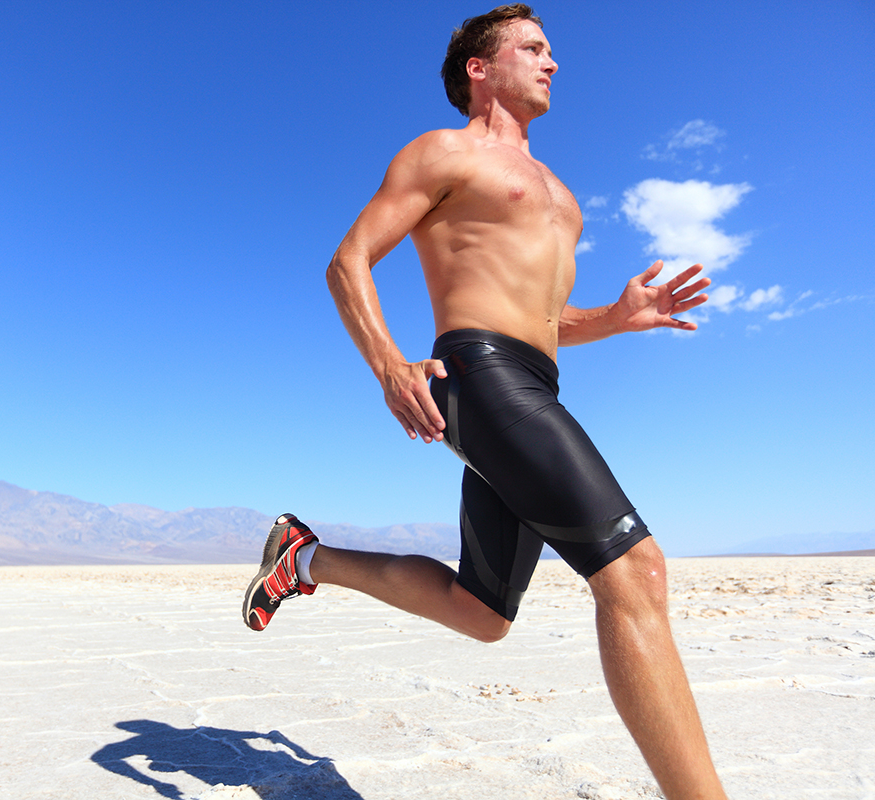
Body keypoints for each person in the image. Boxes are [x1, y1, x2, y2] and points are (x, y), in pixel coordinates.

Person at [242, 5, 730, 799]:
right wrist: (389, 365)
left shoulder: (563, 199)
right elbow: (349, 260)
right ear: (480, 68)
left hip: (532, 383)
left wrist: (617, 316)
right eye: (534, 48)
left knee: (482, 613)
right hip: (479, 374)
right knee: (635, 573)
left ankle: (306, 558)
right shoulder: (444, 154)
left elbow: (541, 322)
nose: (554, 62)